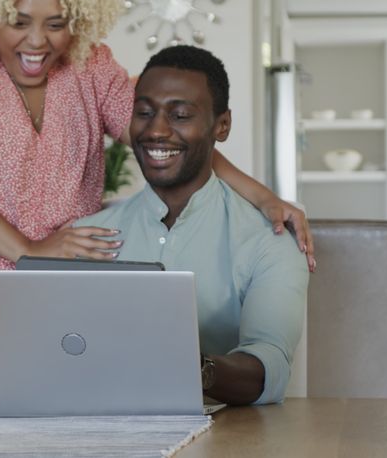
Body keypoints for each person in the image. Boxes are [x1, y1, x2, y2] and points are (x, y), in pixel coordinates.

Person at [0, 0, 312, 390]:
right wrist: (30, 253)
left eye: (56, 23)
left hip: (54, 302)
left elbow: (164, 136)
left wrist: (264, 197)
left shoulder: (89, 64)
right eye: (18, 21)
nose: (37, 42)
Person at [76, 45, 309, 405]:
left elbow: (270, 366)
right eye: (144, 113)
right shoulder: (84, 238)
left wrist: (190, 365)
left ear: (222, 125)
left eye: (180, 115)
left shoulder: (270, 241)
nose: (156, 131)